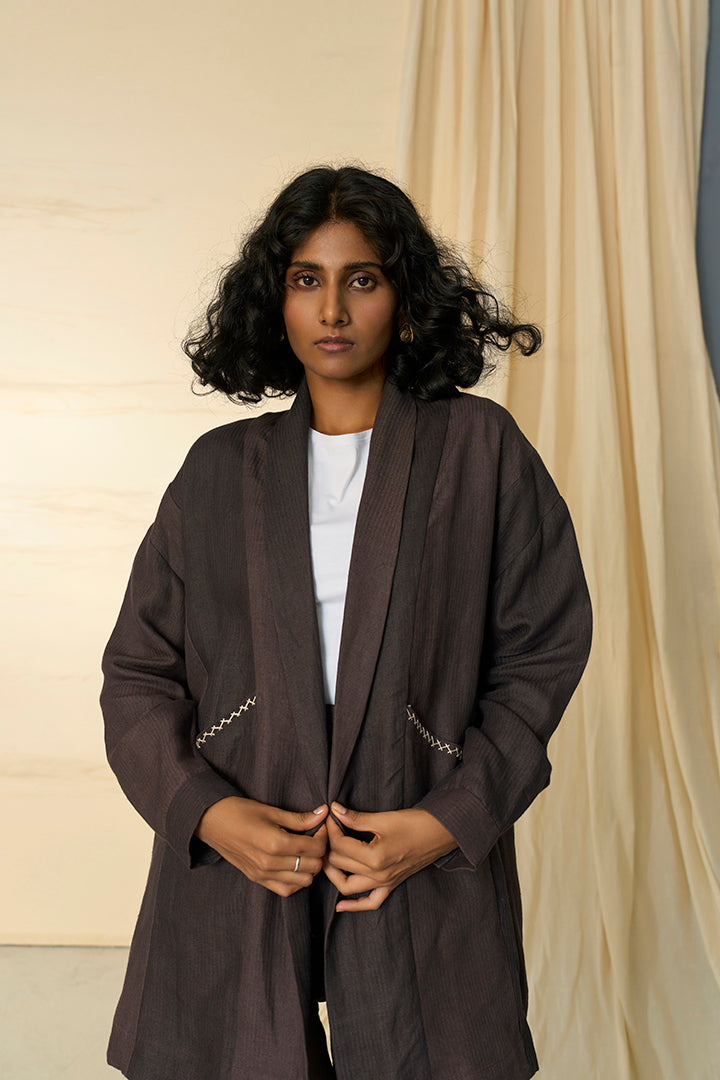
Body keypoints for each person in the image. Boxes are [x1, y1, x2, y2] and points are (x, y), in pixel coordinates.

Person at [101, 165, 592, 1080]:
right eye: (306, 279)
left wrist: (448, 821)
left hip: (413, 836)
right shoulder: (217, 471)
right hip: (244, 853)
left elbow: (542, 653)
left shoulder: (479, 452)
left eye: (361, 279)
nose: (332, 309)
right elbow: (137, 673)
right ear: (276, 301)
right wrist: (210, 816)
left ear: (403, 298)